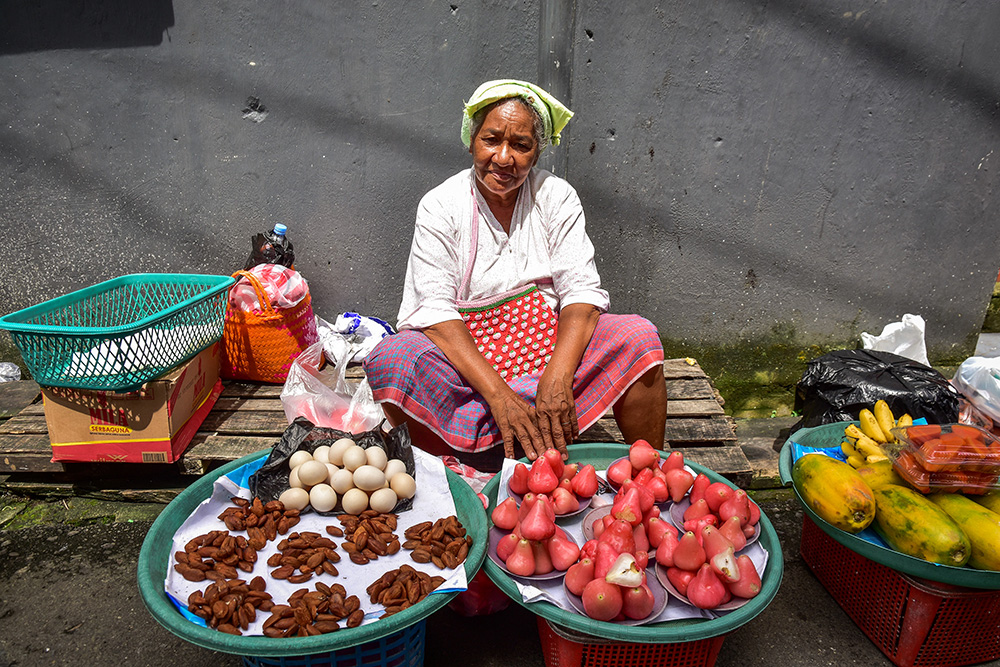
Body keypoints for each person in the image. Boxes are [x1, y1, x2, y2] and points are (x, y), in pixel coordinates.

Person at [364, 79, 667, 472]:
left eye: (521, 145)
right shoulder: (441, 204)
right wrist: (500, 396)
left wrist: (557, 376)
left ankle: (651, 473)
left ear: (537, 151)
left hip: (547, 356)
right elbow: (434, 311)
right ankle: (449, 474)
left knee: (638, 337)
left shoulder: (555, 196)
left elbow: (581, 293)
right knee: (394, 358)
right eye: (491, 140)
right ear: (471, 139)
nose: (503, 158)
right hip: (468, 372)